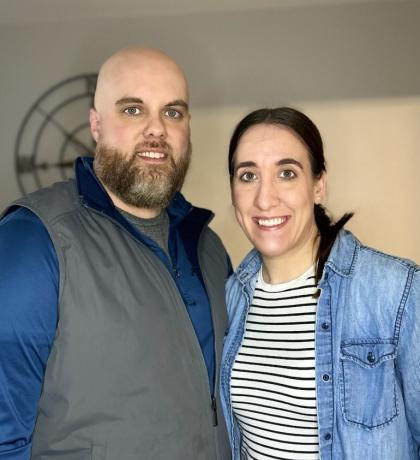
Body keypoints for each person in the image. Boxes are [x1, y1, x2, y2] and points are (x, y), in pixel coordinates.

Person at [0, 47, 232, 460]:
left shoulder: (209, 247)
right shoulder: (33, 239)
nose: (156, 130)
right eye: (133, 110)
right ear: (96, 124)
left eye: (173, 113)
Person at [220, 107, 420, 460]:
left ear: (318, 186)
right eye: (248, 175)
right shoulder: (233, 296)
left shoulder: (395, 291)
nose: (265, 199)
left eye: (286, 173)